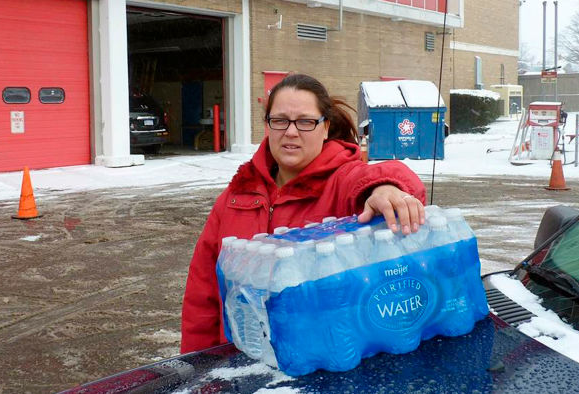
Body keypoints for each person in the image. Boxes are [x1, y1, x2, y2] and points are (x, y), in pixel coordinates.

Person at [180, 73, 426, 353]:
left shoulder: (341, 183)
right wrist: (197, 368)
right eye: (280, 120)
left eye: (306, 122)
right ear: (268, 126)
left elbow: (381, 178)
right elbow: (203, 294)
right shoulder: (236, 196)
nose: (291, 132)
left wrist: (383, 188)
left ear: (325, 128)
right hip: (241, 365)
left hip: (323, 364)